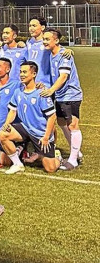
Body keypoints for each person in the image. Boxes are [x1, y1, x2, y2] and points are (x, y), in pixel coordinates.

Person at [0, 61, 61, 174]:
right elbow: (13, 111)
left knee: (50, 168)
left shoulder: (41, 93)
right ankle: (18, 164)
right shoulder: (18, 92)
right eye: (20, 72)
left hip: (40, 134)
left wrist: (46, 137)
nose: (21, 74)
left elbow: (52, 117)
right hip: (25, 128)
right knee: (3, 134)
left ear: (34, 74)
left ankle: (57, 157)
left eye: (25, 72)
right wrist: (7, 123)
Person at [41, 29, 83, 170]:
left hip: (70, 95)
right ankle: (76, 152)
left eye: (48, 39)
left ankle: (73, 160)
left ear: (56, 41)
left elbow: (63, 77)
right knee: (61, 121)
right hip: (60, 96)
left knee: (72, 125)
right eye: (44, 39)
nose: (45, 41)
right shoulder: (50, 54)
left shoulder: (64, 55)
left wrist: (51, 91)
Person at [25, 15, 51, 85]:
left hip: (45, 84)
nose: (31, 28)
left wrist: (67, 51)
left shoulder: (48, 43)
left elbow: (59, 50)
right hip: (30, 83)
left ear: (42, 27)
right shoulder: (28, 43)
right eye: (30, 26)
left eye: (34, 25)